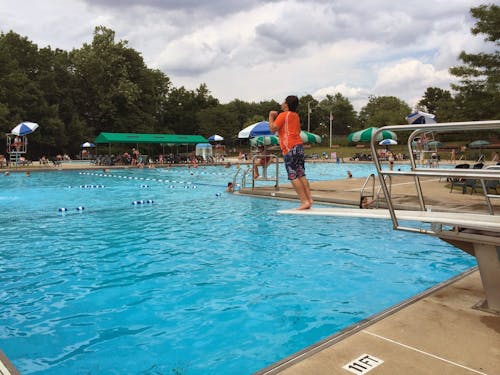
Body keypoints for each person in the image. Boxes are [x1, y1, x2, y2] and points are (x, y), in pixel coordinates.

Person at [269, 95, 313, 210]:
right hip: (299, 146)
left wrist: (271, 116)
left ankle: (304, 202)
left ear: (287, 104)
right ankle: (309, 199)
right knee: (301, 174)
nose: (282, 102)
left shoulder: (283, 115)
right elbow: (297, 131)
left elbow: (273, 128)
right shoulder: (295, 116)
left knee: (293, 176)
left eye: (283, 100)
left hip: (289, 148)